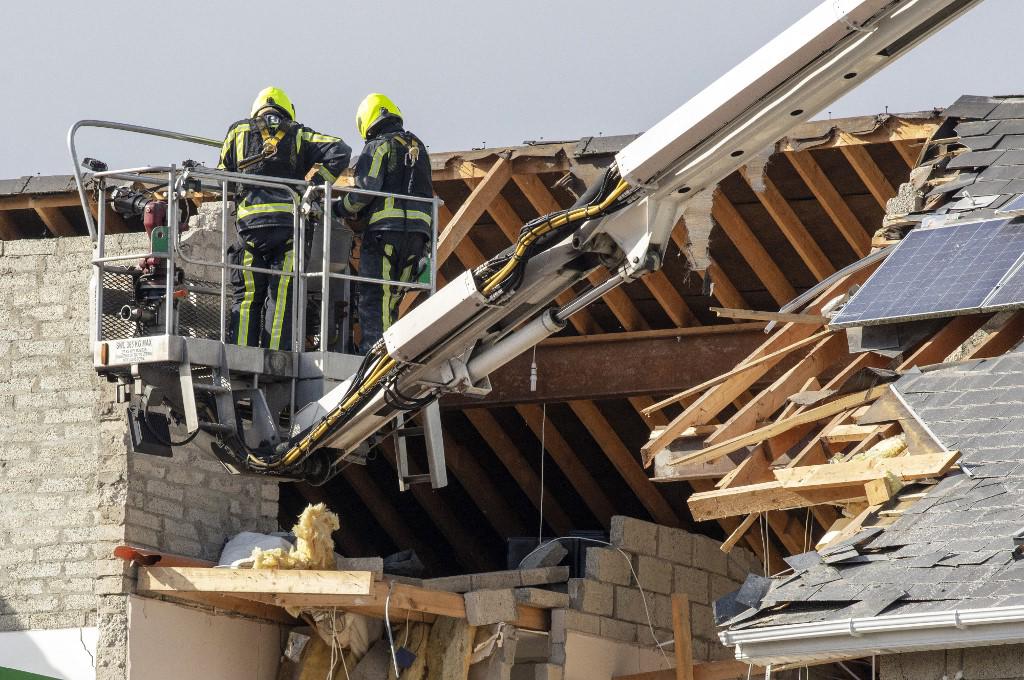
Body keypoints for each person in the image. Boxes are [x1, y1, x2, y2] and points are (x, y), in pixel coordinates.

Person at [219, 86, 351, 350]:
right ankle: (275, 356)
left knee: (246, 297)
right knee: (281, 296)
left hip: (249, 228)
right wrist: (312, 188)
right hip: (288, 228)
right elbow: (340, 150)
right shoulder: (299, 133)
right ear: (286, 109)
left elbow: (223, 174)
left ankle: (242, 356)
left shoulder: (238, 131)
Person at [334, 93, 433, 354]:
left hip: (383, 235)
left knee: (375, 296)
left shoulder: (379, 146)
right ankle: (390, 354)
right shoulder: (419, 148)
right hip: (417, 237)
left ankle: (373, 355)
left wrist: (339, 208)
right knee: (392, 298)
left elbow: (367, 190)